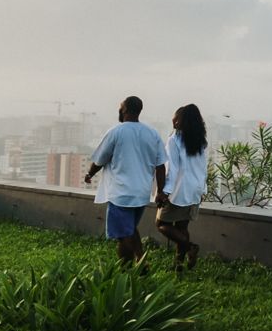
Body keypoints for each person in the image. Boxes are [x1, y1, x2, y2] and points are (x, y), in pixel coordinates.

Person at [85, 95, 166, 266]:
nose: (119, 110)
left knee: (123, 235)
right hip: (141, 194)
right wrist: (160, 192)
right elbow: (160, 166)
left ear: (125, 110)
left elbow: (99, 160)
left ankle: (126, 270)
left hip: (120, 193)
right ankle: (141, 261)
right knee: (130, 229)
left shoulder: (116, 131)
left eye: (120, 107)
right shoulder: (152, 133)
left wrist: (89, 174)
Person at [155, 103, 208, 273]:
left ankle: (190, 247)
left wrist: (164, 192)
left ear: (181, 120)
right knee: (182, 227)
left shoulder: (174, 139)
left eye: (176, 117)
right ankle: (178, 265)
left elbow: (172, 168)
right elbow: (203, 167)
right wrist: (203, 189)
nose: (173, 120)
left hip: (179, 190)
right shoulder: (200, 140)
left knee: (161, 223)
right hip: (195, 190)